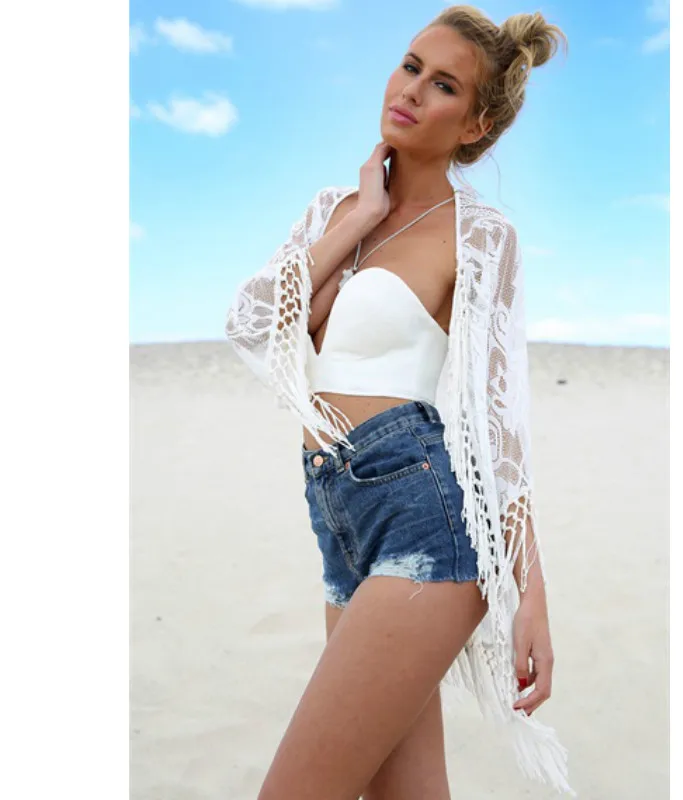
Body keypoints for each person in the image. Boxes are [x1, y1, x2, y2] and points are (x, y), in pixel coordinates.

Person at [225, 5, 574, 798]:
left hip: (425, 517)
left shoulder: (480, 235)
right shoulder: (334, 209)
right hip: (339, 521)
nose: (412, 89)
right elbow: (250, 323)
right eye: (411, 65)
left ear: (476, 125)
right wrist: (362, 218)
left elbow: (496, 423)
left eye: (444, 84)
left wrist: (531, 593)